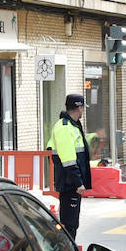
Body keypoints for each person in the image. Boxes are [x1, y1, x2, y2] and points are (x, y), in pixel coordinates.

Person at [46, 93, 92, 239]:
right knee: (69, 224)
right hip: (69, 183)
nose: (83, 110)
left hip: (70, 182)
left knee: (71, 222)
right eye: (83, 107)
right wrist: (78, 182)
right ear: (78, 108)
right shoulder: (65, 127)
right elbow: (68, 160)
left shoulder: (71, 126)